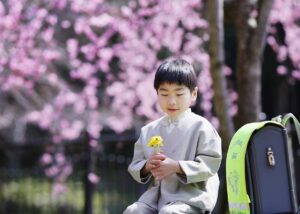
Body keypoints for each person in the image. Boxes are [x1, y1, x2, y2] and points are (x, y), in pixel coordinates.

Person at [123, 58, 222, 214]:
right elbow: (136, 165)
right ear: (157, 94)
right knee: (133, 211)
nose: (171, 101)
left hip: (190, 198)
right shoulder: (149, 130)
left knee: (170, 213)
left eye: (179, 94)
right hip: (155, 199)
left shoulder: (202, 127)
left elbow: (210, 164)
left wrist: (176, 166)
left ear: (193, 94)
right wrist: (147, 165)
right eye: (164, 94)